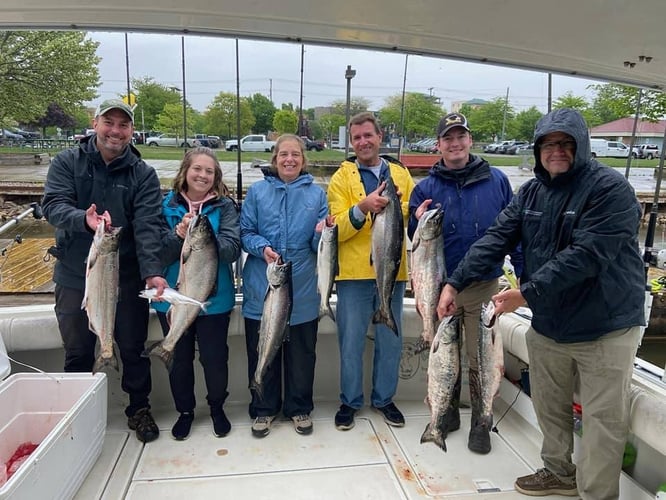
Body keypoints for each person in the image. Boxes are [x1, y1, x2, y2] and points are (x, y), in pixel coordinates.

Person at [437, 108, 644, 499]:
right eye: (548, 144)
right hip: (551, 323)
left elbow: (587, 255)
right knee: (550, 406)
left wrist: (526, 293)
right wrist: (454, 282)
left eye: (566, 143)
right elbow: (497, 237)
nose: (557, 151)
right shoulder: (531, 192)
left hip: (606, 325)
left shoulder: (610, 189)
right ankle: (559, 473)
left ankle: (597, 494)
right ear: (537, 150)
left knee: (602, 421)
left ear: (581, 146)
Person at [42, 99, 170, 443]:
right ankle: (79, 413)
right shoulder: (68, 161)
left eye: (123, 125)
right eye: (109, 123)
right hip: (73, 273)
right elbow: (53, 205)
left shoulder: (142, 173)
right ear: (95, 123)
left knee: (132, 347)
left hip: (124, 276)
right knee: (78, 350)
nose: (115, 131)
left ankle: (139, 408)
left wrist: (153, 272)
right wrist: (83, 219)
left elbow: (148, 226)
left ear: (131, 131)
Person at [408, 112, 522, 454]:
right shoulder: (425, 188)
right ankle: (448, 412)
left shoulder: (497, 181)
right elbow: (416, 241)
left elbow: (514, 232)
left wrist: (521, 271)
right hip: (437, 285)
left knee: (479, 355)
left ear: (470, 140)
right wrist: (417, 221)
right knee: (446, 355)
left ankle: (481, 421)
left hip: (482, 284)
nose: (455, 143)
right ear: (438, 145)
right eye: (448, 138)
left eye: (461, 136)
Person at [327, 112, 415, 430]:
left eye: (368, 135)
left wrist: (406, 207)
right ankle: (350, 402)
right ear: (352, 142)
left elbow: (409, 218)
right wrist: (363, 207)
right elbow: (335, 229)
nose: (363, 142)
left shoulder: (401, 175)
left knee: (390, 339)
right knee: (350, 343)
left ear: (380, 137)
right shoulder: (340, 178)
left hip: (391, 270)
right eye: (357, 137)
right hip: (351, 276)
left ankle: (384, 399)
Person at [240, 134, 329, 438]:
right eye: (283, 155)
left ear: (303, 160)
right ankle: (263, 409)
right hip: (262, 287)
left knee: (302, 354)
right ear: (274, 159)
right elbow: (245, 232)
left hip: (303, 288)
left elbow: (319, 245)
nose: (289, 159)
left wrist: (323, 234)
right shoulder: (257, 192)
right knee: (263, 349)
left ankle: (299, 406)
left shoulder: (317, 195)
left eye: (295, 155)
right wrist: (262, 247)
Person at [152, 147, 241, 440]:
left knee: (215, 360)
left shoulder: (225, 207)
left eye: (209, 171)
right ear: (185, 172)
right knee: (179, 360)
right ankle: (185, 412)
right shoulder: (166, 206)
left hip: (213, 301)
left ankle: (217, 407)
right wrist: (178, 235)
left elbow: (230, 250)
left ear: (215, 177)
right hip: (174, 301)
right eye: (197, 169)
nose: (203, 175)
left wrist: (203, 236)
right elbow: (157, 254)